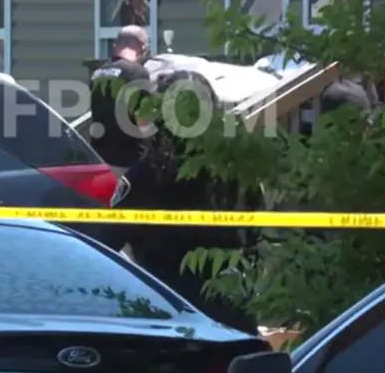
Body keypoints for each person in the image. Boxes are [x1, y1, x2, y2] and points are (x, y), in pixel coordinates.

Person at [100, 69, 260, 334]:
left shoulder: (149, 174)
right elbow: (257, 234)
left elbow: (106, 242)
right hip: (234, 313)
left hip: (169, 314)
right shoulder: (242, 172)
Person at [89, 25, 153, 175]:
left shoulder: (98, 73)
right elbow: (142, 120)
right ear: (142, 47)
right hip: (128, 159)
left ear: (116, 45)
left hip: (100, 157)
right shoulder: (137, 73)